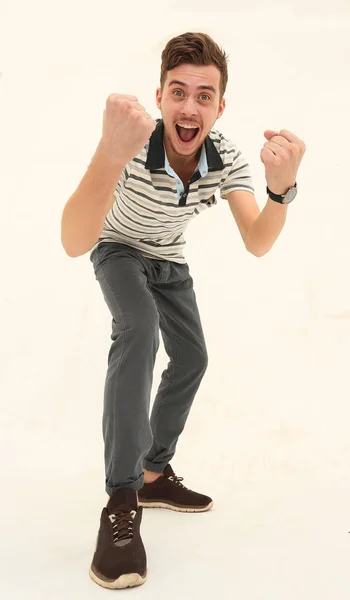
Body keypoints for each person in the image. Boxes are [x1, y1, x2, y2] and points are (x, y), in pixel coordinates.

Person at [61, 31, 306, 590]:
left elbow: (258, 241)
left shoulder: (225, 158)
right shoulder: (131, 143)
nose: (189, 106)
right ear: (161, 97)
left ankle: (151, 471)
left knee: (192, 357)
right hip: (117, 247)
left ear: (220, 107)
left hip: (168, 259)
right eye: (178, 92)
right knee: (140, 331)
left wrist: (281, 190)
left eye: (203, 95)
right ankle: (122, 499)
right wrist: (107, 151)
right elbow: (74, 239)